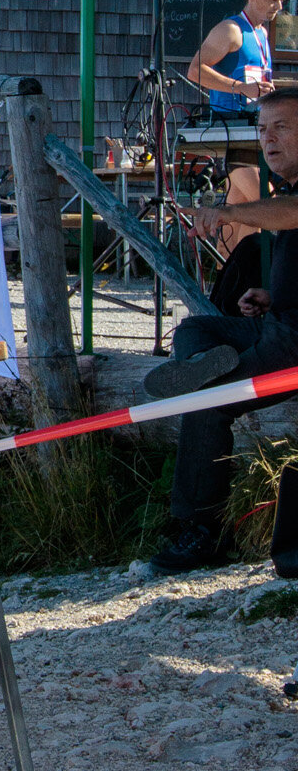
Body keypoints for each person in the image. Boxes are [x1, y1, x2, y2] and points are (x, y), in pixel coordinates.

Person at [149, 87, 298, 572]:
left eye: (282, 128)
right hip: (277, 324)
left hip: (295, 343)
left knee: (207, 406)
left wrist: (228, 212)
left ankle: (200, 534)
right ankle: (197, 371)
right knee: (196, 330)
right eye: (262, 129)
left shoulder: (289, 202)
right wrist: (270, 297)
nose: (269, 140)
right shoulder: (284, 193)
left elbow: (292, 215)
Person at [187, 0, 286, 120]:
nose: (279, 6)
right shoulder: (231, 29)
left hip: (256, 119)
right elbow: (195, 71)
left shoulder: (262, 32)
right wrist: (241, 88)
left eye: (282, 0)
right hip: (229, 123)